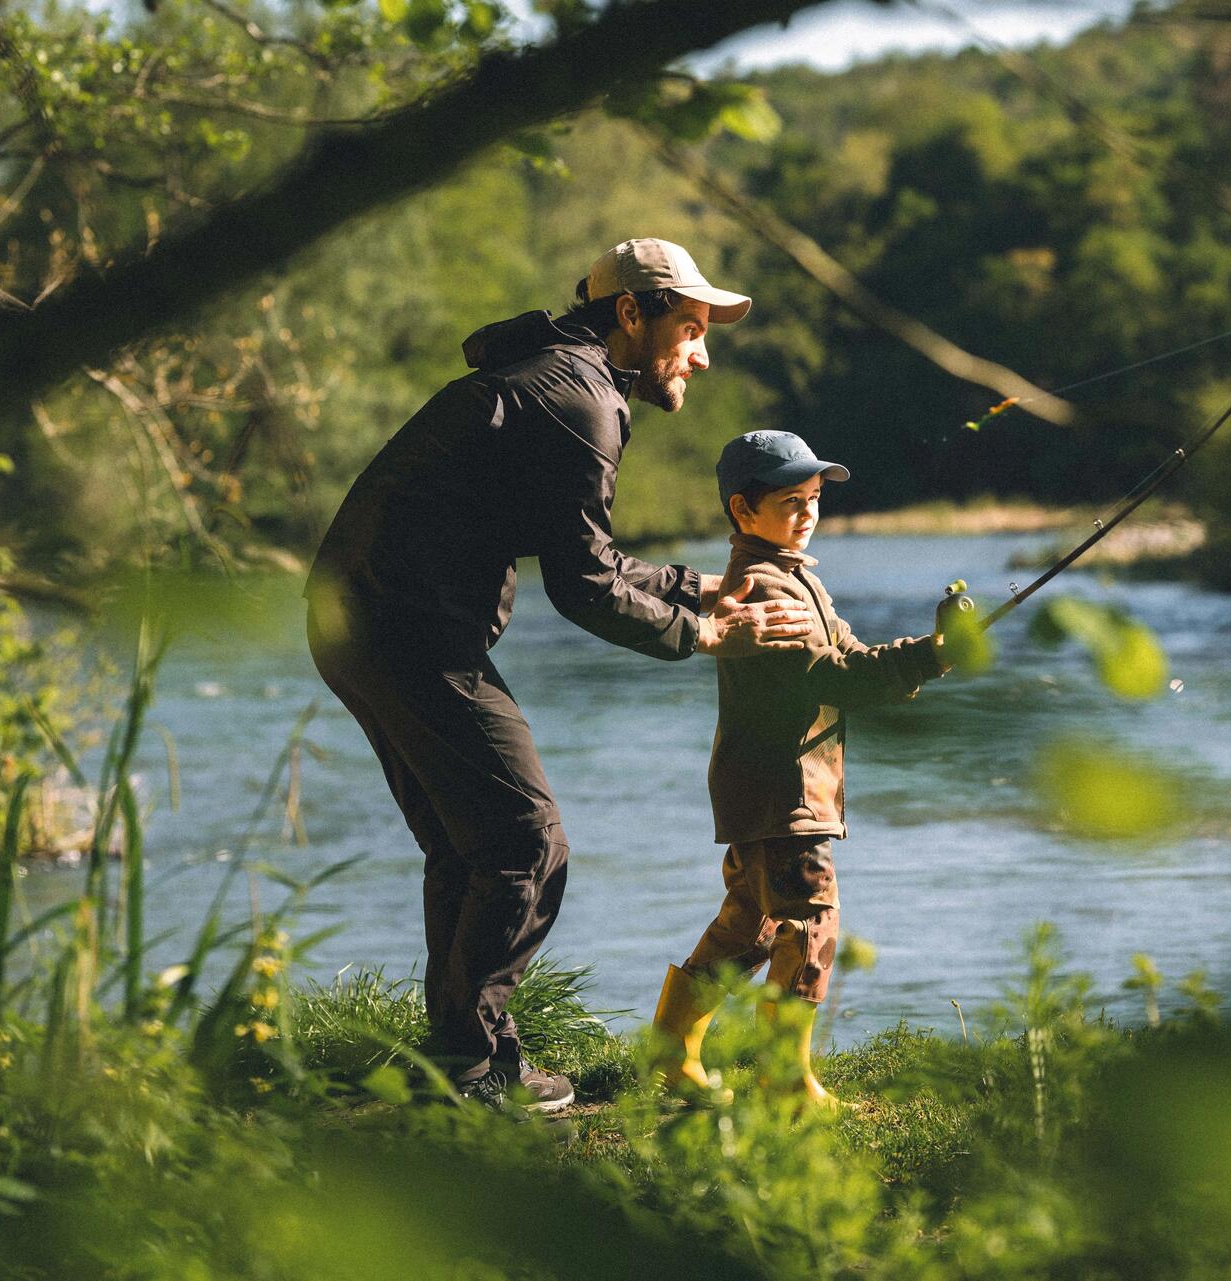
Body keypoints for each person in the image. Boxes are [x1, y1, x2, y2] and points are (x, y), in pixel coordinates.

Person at [305, 239, 813, 1111]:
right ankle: (470, 1071)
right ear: (631, 314)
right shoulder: (580, 401)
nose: (702, 351)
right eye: (689, 327)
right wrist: (703, 635)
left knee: (472, 847)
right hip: (403, 625)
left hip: (358, 616)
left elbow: (591, 555)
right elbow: (584, 589)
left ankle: (459, 1060)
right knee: (525, 841)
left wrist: (700, 590)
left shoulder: (559, 378)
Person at [649, 430, 953, 1106]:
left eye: (814, 499)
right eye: (791, 501)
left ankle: (671, 1054)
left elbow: (851, 653)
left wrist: (930, 649)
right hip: (782, 791)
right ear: (742, 509)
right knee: (812, 922)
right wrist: (929, 658)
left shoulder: (795, 575)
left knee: (749, 925)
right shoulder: (762, 585)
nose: (809, 512)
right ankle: (783, 1079)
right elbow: (835, 676)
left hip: (772, 790)